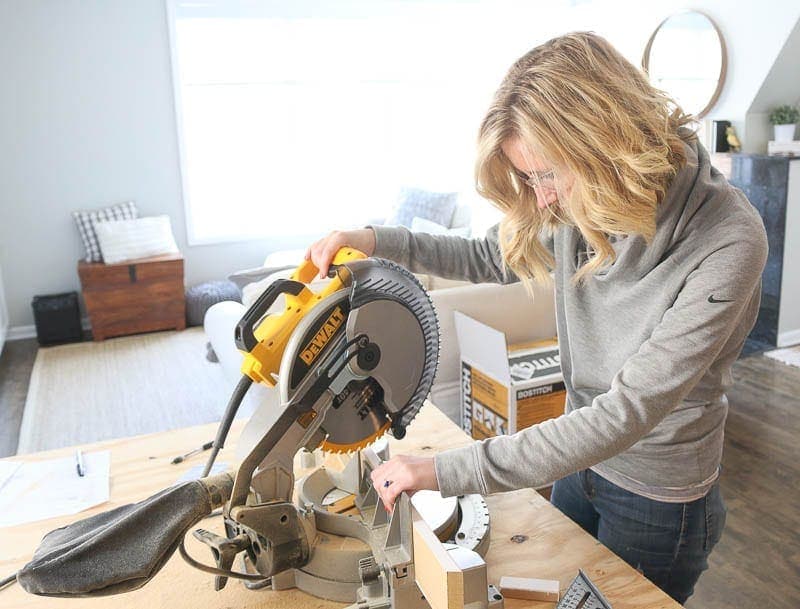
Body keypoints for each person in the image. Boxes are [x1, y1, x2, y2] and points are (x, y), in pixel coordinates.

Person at [304, 32, 767, 604]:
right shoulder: (583, 194)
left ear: (605, 143)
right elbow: (490, 256)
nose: (543, 199)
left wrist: (446, 470)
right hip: (579, 464)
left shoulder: (729, 241)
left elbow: (625, 413)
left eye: (545, 174)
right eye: (529, 179)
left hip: (658, 496)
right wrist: (375, 240)